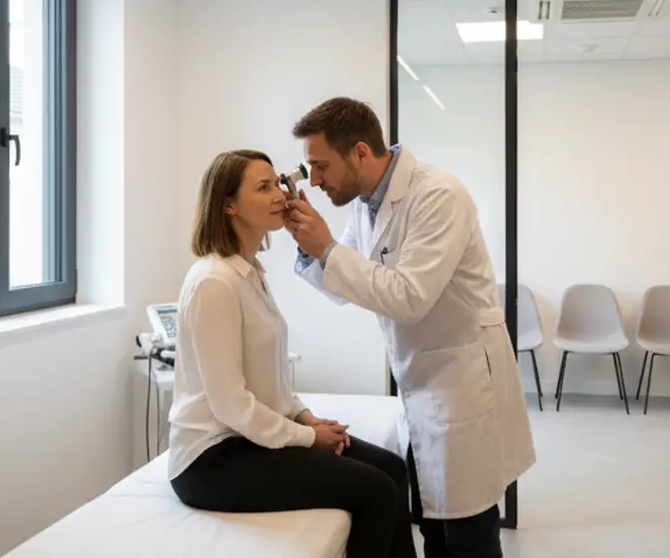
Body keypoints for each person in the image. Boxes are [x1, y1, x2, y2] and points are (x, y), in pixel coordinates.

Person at [284, 98, 536, 558]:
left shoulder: (438, 195)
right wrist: (310, 247)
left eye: (321, 166)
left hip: (463, 383)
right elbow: (345, 287)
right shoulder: (367, 203)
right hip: (422, 384)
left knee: (470, 539)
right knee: (436, 532)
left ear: (360, 152)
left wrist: (328, 248)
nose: (315, 181)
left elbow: (409, 297)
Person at [167, 149, 417, 558]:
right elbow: (230, 404)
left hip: (250, 439)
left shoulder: (250, 273)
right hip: (212, 459)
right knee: (375, 492)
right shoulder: (215, 283)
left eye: (276, 184)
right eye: (263, 188)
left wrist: (303, 416)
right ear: (228, 205)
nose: (281, 195)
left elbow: (267, 379)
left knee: (392, 469)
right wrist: (305, 437)